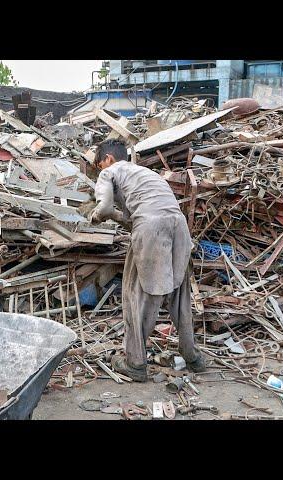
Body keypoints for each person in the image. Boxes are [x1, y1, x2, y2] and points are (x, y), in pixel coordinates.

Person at [89, 139, 206, 382]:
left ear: (108, 160)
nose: (101, 170)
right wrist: (112, 214)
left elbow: (105, 206)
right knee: (179, 293)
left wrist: (96, 215)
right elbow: (133, 218)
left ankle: (135, 363)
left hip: (151, 227)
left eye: (100, 165)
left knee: (135, 294)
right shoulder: (145, 174)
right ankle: (193, 358)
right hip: (178, 226)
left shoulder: (110, 171)